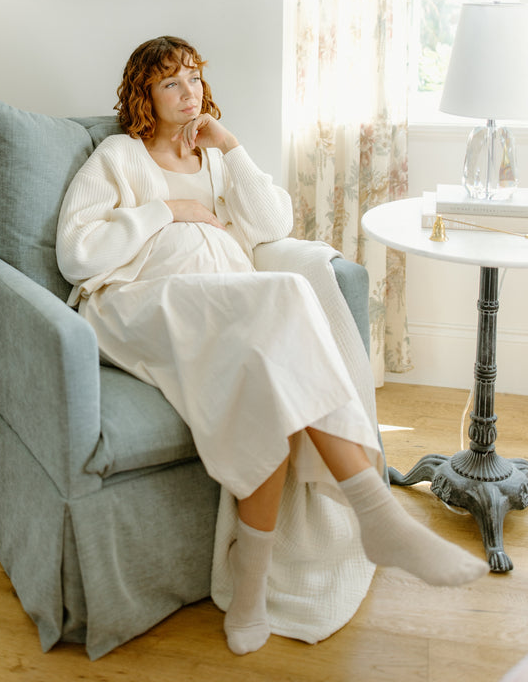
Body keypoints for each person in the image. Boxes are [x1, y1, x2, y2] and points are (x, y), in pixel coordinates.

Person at [56, 36, 487, 656]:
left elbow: (271, 227)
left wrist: (230, 149)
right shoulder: (119, 156)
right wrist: (168, 211)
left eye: (195, 78)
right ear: (144, 95)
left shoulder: (215, 159)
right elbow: (76, 252)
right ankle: (376, 511)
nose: (189, 93)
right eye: (171, 83)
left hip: (226, 306)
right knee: (286, 291)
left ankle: (251, 590)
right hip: (138, 300)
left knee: (271, 378)